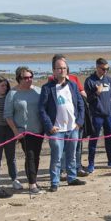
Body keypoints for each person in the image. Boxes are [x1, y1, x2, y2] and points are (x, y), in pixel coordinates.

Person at [38, 55, 88, 192]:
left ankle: (71, 177)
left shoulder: (72, 85)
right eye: (59, 68)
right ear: (53, 70)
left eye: (64, 68)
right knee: (57, 156)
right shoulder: (47, 88)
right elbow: (41, 109)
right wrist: (49, 126)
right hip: (56, 129)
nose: (62, 70)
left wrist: (79, 122)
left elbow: (80, 104)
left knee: (72, 155)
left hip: (73, 128)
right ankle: (55, 181)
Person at [4, 66, 43, 194]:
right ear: (19, 79)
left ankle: (34, 180)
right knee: (30, 155)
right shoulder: (13, 94)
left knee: (36, 156)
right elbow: (8, 115)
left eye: (31, 77)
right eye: (25, 78)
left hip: (39, 129)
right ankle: (32, 185)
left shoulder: (38, 91)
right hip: (24, 131)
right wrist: (16, 131)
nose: (29, 80)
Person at [85, 57, 111, 171]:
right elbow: (88, 99)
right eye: (103, 69)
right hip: (96, 116)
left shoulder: (108, 80)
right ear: (97, 67)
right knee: (93, 139)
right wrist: (97, 93)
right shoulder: (90, 81)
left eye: (107, 69)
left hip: (109, 114)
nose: (105, 71)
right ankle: (91, 163)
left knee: (109, 139)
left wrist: (107, 105)